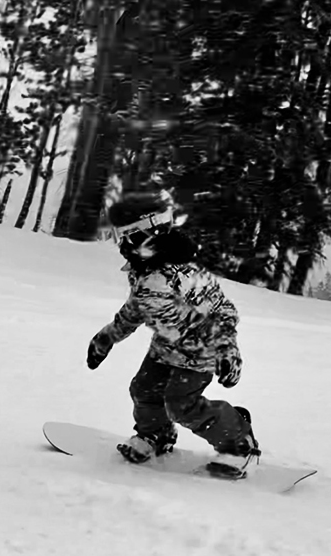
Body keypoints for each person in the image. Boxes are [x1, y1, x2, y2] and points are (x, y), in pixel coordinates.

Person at [86, 192, 261, 477]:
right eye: (119, 237)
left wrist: (227, 350)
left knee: (181, 405)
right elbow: (135, 309)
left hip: (199, 354)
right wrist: (107, 338)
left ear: (150, 236)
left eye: (128, 237)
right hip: (163, 351)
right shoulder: (144, 271)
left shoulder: (186, 274)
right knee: (143, 390)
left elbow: (223, 311)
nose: (122, 245)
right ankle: (156, 434)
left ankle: (239, 442)